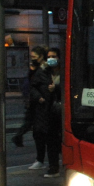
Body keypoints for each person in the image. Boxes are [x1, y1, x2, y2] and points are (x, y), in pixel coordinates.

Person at [13, 47, 45, 149]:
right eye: (32, 57)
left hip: (36, 99)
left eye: (34, 57)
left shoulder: (42, 68)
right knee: (31, 120)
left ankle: (19, 136)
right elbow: (29, 84)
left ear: (41, 57)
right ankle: (19, 136)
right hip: (35, 99)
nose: (32, 59)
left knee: (30, 120)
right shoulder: (34, 68)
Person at [38, 47, 63, 176]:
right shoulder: (44, 71)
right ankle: (53, 167)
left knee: (61, 139)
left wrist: (56, 88)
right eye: (49, 57)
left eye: (53, 56)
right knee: (51, 140)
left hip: (62, 110)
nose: (51, 59)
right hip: (49, 110)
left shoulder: (65, 72)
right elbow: (35, 86)